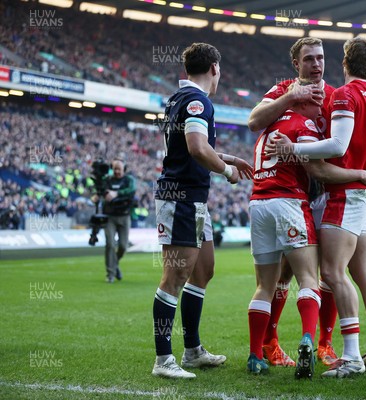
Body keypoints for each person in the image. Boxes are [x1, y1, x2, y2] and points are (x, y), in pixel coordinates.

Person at [248, 37, 366, 368]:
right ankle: (270, 343)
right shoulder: (283, 89)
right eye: (309, 58)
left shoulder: (335, 96)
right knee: (284, 275)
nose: (316, 64)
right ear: (296, 64)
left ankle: (324, 343)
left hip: (323, 191)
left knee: (326, 273)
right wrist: (290, 97)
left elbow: (354, 140)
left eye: (321, 58)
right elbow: (254, 121)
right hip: (287, 192)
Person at [151, 42, 252, 379]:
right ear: (214, 68)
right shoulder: (199, 101)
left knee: (204, 269)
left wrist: (228, 157)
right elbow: (196, 148)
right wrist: (226, 172)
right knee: (174, 277)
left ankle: (192, 350)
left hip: (192, 198)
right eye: (219, 70)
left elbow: (193, 145)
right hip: (180, 197)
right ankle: (164, 359)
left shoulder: (178, 99)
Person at [91, 159, 135, 283]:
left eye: (119, 169)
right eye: (115, 169)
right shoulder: (107, 180)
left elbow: (131, 190)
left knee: (123, 246)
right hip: (109, 216)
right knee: (110, 244)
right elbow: (99, 190)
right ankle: (110, 274)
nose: (116, 171)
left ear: (124, 170)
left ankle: (114, 265)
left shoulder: (129, 180)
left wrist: (116, 193)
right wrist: (96, 196)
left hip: (124, 216)